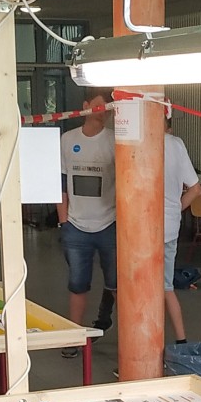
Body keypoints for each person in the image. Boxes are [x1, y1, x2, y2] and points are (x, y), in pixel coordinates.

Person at [58, 91, 117, 333]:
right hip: (76, 226)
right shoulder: (67, 140)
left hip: (109, 224)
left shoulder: (115, 140)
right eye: (99, 106)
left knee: (116, 282)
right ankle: (74, 336)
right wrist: (64, 222)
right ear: (85, 106)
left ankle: (117, 328)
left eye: (108, 108)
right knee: (77, 284)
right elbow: (61, 184)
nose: (103, 112)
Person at [164, 113, 200, 344]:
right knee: (166, 286)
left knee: (137, 289)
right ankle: (181, 341)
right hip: (169, 227)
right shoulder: (176, 144)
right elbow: (195, 189)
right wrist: (174, 210)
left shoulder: (137, 142)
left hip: (141, 230)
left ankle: (140, 349)